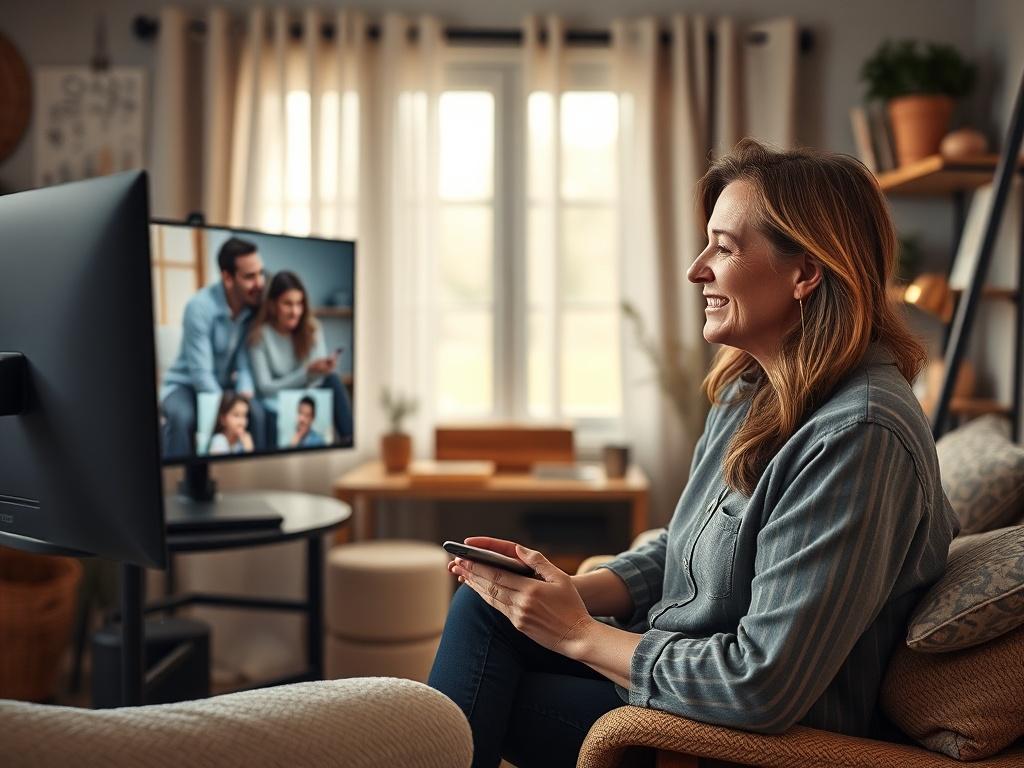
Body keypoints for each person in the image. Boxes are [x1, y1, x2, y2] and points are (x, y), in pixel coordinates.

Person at [427, 139, 960, 768]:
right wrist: (566, 589)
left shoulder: (861, 435)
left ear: (806, 272)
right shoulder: (752, 389)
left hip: (750, 737)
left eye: (725, 247)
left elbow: (763, 685)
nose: (695, 269)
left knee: (474, 713)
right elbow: (686, 544)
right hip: (683, 663)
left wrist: (576, 633)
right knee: (487, 609)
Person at [160, 237, 268, 458]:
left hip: (224, 386)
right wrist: (228, 410)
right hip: (185, 386)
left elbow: (243, 362)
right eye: (250, 276)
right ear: (227, 278)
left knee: (256, 413)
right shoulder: (199, 307)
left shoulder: (250, 309)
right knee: (183, 418)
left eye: (260, 273)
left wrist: (245, 394)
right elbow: (201, 374)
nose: (259, 283)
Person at [247, 270, 353, 447]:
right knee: (270, 413)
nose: (295, 311)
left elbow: (317, 382)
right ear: (272, 305)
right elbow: (265, 388)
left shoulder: (312, 329)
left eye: (299, 304)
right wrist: (307, 373)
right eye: (287, 304)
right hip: (276, 400)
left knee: (332, 379)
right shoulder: (259, 337)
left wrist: (322, 370)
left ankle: (348, 440)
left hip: (308, 396)